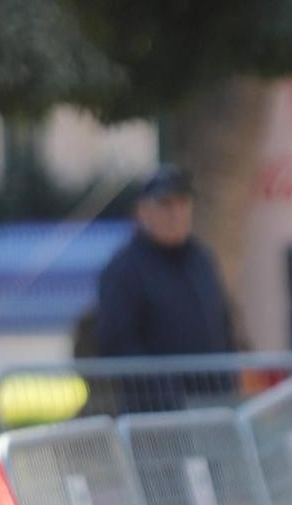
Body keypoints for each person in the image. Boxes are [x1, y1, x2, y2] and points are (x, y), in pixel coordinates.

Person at [89, 164, 238, 412]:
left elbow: (223, 322)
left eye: (182, 204)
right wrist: (163, 389)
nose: (176, 214)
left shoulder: (201, 259)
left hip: (214, 404)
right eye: (165, 204)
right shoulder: (126, 268)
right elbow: (117, 341)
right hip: (155, 414)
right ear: (143, 211)